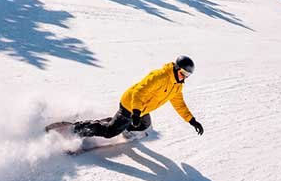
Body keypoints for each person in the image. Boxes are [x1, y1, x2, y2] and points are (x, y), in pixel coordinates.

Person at [73, 56, 204, 138]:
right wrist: (135, 113)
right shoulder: (159, 76)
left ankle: (119, 124)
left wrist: (192, 121)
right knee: (109, 132)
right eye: (183, 73)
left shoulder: (177, 86)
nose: (184, 77)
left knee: (144, 125)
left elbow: (179, 105)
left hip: (142, 109)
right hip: (130, 105)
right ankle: (78, 129)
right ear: (176, 68)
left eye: (187, 75)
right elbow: (139, 92)